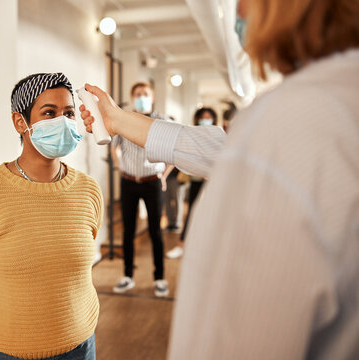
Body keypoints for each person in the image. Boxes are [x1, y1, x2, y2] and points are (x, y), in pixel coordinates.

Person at [79, 0, 359, 357]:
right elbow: (218, 146)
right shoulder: (328, 109)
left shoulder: (291, 123)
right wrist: (117, 121)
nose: (238, 10)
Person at [0, 73, 103, 360]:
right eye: (49, 113)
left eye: (69, 113)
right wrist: (6, 310)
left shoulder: (88, 191)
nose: (64, 121)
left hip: (80, 345)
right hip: (6, 350)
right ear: (21, 122)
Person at [111, 81, 170, 298]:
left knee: (156, 231)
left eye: (145, 93)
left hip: (152, 181)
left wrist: (163, 175)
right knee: (128, 231)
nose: (141, 96)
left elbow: (173, 151)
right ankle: (127, 276)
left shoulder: (161, 120)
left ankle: (160, 278)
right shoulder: (123, 119)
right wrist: (120, 168)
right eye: (137, 93)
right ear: (132, 96)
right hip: (128, 182)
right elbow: (114, 147)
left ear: (152, 96)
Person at [166, 107, 218, 259]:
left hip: (212, 182)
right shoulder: (193, 136)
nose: (206, 120)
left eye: (209, 117)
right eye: (203, 117)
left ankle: (208, 246)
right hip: (197, 181)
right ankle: (181, 243)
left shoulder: (218, 136)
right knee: (192, 212)